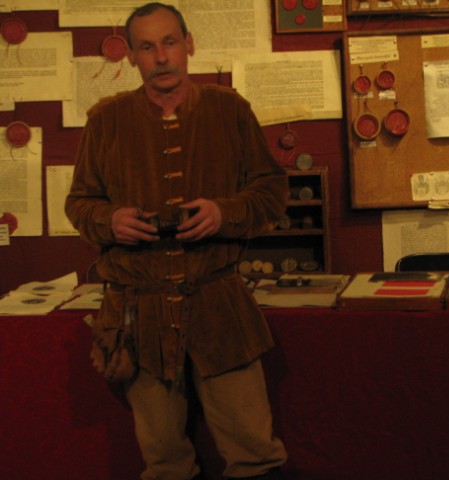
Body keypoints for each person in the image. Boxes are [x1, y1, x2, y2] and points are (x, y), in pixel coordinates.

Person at [65, 3, 288, 479]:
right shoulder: (106, 120)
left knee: (254, 454)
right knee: (165, 461)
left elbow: (272, 192)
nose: (161, 57)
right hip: (138, 316)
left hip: (218, 310)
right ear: (131, 55)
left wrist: (224, 213)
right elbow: (80, 203)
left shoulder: (230, 110)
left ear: (189, 44)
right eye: (147, 47)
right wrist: (109, 220)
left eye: (169, 42)